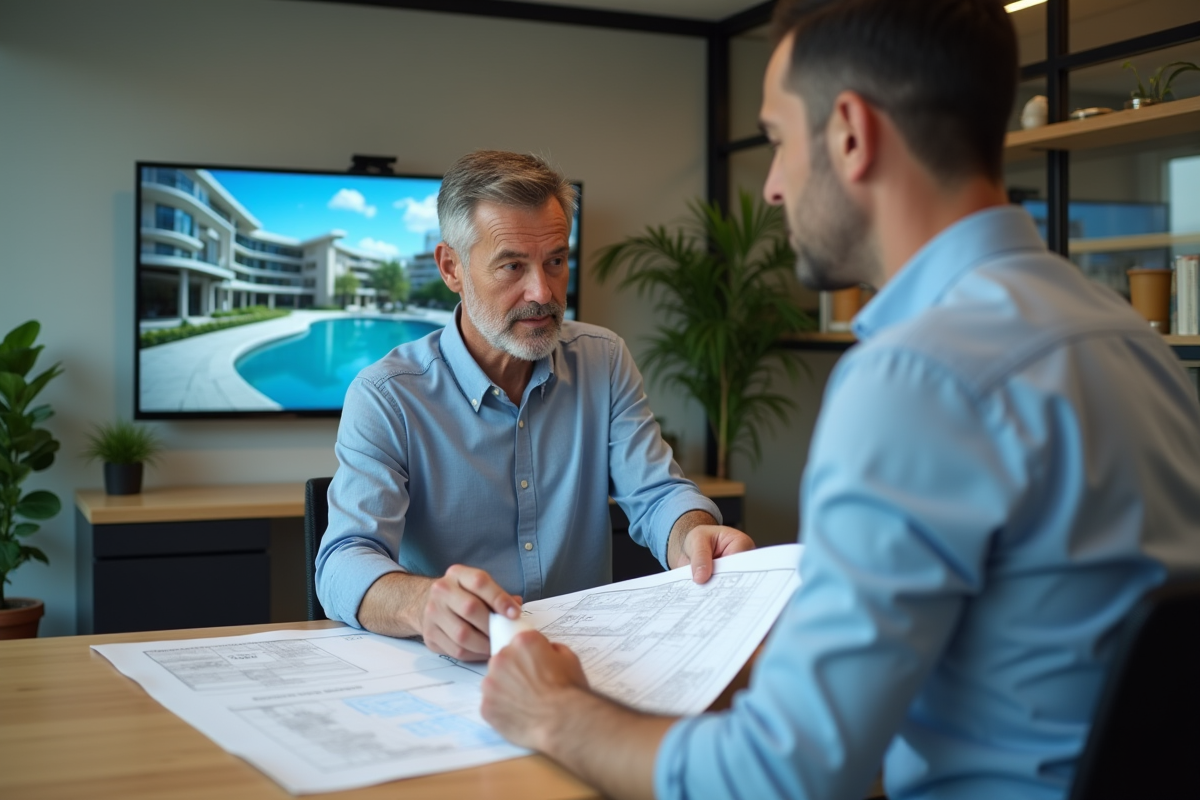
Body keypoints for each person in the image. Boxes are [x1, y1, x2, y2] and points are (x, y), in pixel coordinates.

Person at [478, 1, 1200, 798]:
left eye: (781, 141)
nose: (777, 188)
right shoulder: (1131, 342)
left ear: (851, 134)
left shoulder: (921, 374)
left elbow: (782, 777)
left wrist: (556, 712)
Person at [316, 150, 754, 662]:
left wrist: (694, 534)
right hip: (456, 669)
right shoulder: (387, 395)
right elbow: (343, 561)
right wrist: (422, 603)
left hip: (590, 662)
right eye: (512, 266)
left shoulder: (603, 359)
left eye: (555, 261)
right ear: (451, 267)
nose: (542, 292)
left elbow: (657, 496)